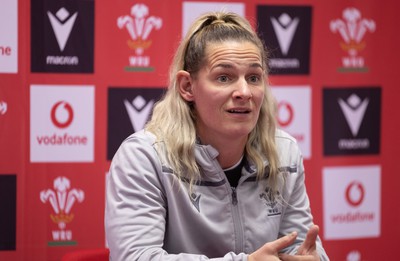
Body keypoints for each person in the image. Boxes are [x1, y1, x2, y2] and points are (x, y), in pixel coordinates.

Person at [105, 11, 329, 261]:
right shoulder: (145, 157)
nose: (244, 92)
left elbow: (300, 244)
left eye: (254, 78)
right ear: (187, 87)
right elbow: (135, 258)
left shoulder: (283, 152)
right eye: (224, 77)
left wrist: (313, 258)